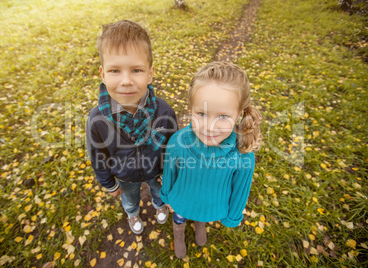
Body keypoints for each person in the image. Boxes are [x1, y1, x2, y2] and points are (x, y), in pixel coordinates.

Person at [160, 61, 262, 258]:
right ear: (191, 108)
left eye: (223, 116)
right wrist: (166, 196)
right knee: (179, 217)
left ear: (239, 114)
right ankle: (179, 235)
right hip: (181, 201)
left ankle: (200, 223)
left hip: (212, 206)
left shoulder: (242, 155)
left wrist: (233, 216)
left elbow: (240, 189)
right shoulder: (178, 143)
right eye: (201, 114)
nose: (209, 126)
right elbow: (169, 173)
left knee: (201, 215)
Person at [86, 20, 177, 235]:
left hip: (156, 170)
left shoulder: (164, 111)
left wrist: (168, 171)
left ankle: (159, 205)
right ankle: (132, 212)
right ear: (102, 74)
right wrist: (109, 183)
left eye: (136, 70)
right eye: (115, 70)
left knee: (158, 192)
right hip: (124, 175)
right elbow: (97, 154)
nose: (126, 81)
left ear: (150, 73)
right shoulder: (97, 119)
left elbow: (172, 146)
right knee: (129, 197)